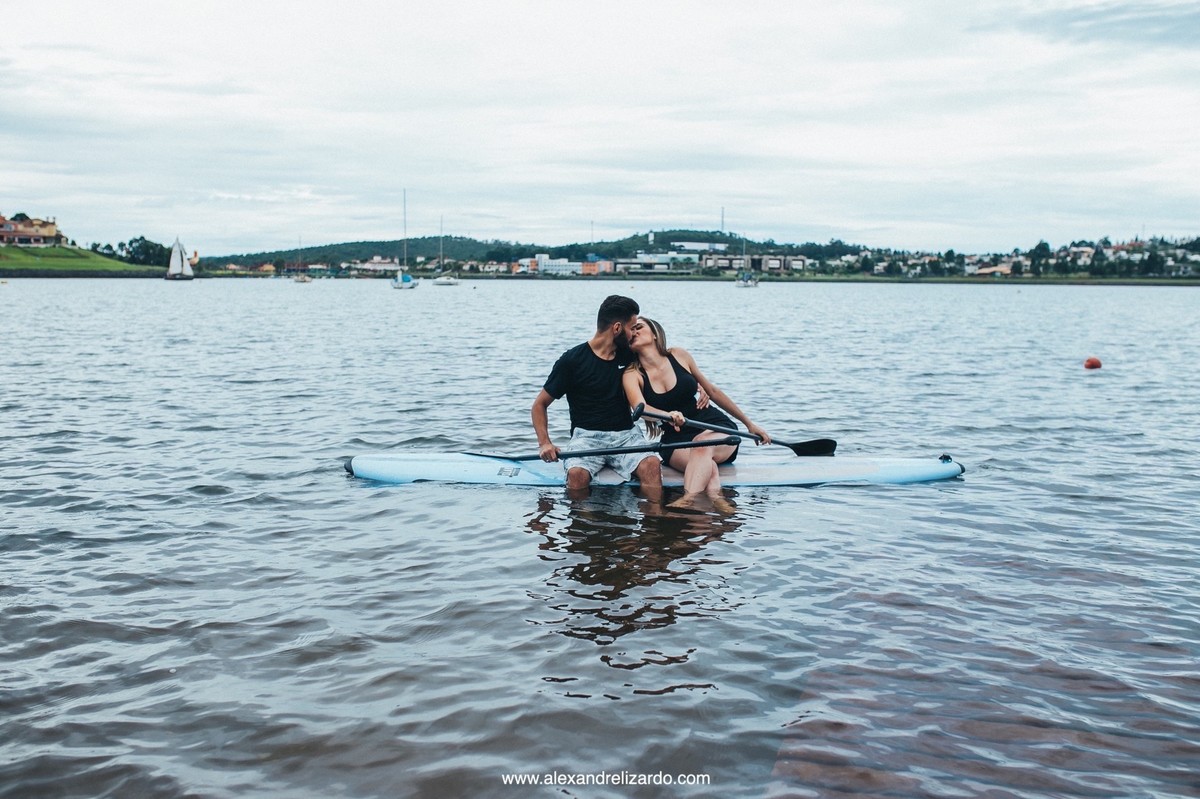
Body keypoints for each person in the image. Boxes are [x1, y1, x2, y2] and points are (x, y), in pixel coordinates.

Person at [622, 316, 771, 512]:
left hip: (713, 426)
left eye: (639, 327)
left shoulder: (679, 355)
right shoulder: (631, 374)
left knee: (702, 445)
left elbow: (713, 391)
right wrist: (668, 415)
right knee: (707, 464)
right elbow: (642, 410)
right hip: (675, 440)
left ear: (655, 334)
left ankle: (689, 499)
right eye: (631, 331)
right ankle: (716, 500)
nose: (634, 332)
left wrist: (749, 424)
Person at [531, 295, 664, 496]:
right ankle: (583, 524)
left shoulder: (629, 354)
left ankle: (654, 521)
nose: (633, 335)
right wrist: (545, 443)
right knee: (576, 475)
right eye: (631, 328)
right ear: (617, 328)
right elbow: (539, 405)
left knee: (652, 464)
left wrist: (700, 388)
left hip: (626, 436)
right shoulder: (572, 361)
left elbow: (667, 363)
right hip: (586, 437)